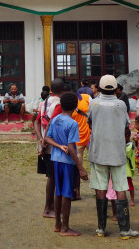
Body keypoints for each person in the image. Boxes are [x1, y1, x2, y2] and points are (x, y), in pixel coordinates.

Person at [88, 74, 138, 239]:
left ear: (100, 88)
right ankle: (124, 230)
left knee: (100, 188)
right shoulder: (121, 104)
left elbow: (90, 122)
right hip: (117, 152)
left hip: (99, 151)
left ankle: (101, 228)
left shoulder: (93, 103)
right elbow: (126, 127)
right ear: (116, 88)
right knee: (120, 188)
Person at [45, 92, 88, 237]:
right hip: (67, 163)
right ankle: (65, 227)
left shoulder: (56, 118)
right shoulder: (73, 123)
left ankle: (57, 224)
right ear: (76, 106)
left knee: (58, 192)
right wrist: (80, 167)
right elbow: (70, 147)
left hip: (55, 160)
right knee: (67, 194)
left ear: (61, 105)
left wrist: (57, 146)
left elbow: (47, 138)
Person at [33, 79, 64, 219]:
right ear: (63, 89)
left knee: (50, 176)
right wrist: (45, 139)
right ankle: (48, 208)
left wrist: (40, 137)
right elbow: (52, 122)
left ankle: (50, 206)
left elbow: (37, 121)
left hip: (44, 143)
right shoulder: (58, 103)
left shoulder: (45, 101)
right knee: (52, 178)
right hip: (51, 145)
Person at [71, 83, 91, 200]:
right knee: (78, 167)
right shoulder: (69, 104)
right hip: (78, 139)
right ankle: (77, 192)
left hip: (89, 136)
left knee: (95, 164)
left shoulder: (87, 98)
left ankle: (100, 190)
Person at [125, 128, 136, 206]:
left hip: (127, 169)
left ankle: (132, 199)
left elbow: (127, 154)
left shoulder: (130, 145)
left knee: (130, 185)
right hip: (122, 169)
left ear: (127, 136)